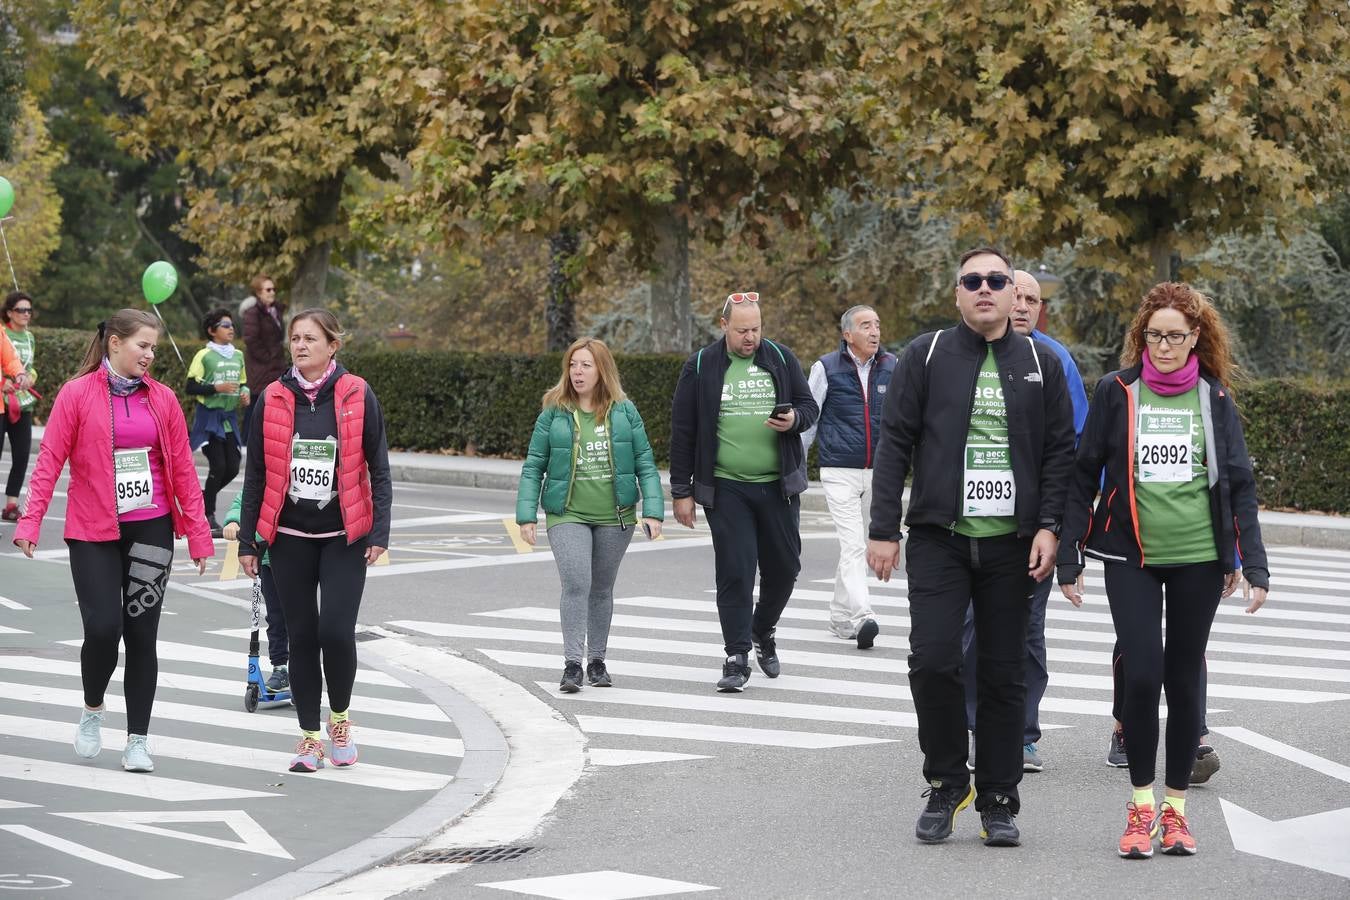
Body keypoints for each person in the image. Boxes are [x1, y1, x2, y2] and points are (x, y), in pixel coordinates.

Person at [867, 247, 1075, 848]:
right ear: (957, 293)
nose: (985, 289)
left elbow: (1062, 452)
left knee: (1005, 672)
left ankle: (999, 797)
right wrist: (883, 529)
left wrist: (1051, 527)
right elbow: (895, 444)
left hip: (1014, 545)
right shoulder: (925, 355)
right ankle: (946, 780)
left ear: (1016, 294)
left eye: (997, 281)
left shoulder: (1043, 361)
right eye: (972, 281)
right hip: (940, 538)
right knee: (933, 661)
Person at [1058, 282, 1269, 858]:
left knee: (1184, 684)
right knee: (1144, 673)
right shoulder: (1117, 391)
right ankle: (1140, 803)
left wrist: (1252, 560)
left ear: (1195, 337)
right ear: (1142, 337)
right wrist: (1070, 554)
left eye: (1176, 335)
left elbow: (1240, 484)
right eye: (1156, 335)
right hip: (1131, 558)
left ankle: (1175, 810)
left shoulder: (1214, 398)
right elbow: (1085, 474)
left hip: (1201, 559)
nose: (1166, 345)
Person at [13, 309, 213, 773]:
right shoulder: (77, 394)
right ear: (115, 343)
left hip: (152, 529)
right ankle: (92, 706)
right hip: (92, 529)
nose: (150, 355)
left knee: (143, 635)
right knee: (103, 629)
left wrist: (200, 537)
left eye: (154, 348)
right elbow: (49, 461)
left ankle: (138, 740)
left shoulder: (162, 400)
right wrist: (30, 521)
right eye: (143, 345)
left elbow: (183, 470)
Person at [237, 309, 391, 773]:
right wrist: (249, 541)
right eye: (295, 338)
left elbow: (378, 467)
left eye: (310, 338)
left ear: (332, 345)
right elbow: (257, 475)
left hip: (345, 535)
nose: (300, 345)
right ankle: (308, 738)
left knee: (335, 632)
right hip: (287, 537)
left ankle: (339, 720)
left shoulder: (357, 393)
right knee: (302, 636)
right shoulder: (273, 397)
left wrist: (379, 531)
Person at [961, 270, 1088, 773]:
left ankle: (1023, 733)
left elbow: (1076, 444)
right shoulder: (960, 353)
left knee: (1027, 632)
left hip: (1032, 526)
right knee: (972, 629)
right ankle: (976, 726)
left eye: (1034, 300)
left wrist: (1064, 525)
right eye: (1019, 296)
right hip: (968, 525)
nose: (1024, 306)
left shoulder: (1054, 360)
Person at [670, 291, 817, 692]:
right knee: (735, 570)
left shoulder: (781, 358)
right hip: (728, 487)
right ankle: (736, 656)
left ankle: (761, 630)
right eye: (741, 331)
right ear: (723, 327)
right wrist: (681, 490)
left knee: (785, 569)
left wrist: (795, 420)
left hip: (778, 486)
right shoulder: (702, 365)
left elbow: (809, 406)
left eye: (755, 329)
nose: (750, 338)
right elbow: (683, 432)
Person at [516, 337, 665, 692]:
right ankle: (572, 664)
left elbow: (645, 461)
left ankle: (597, 661)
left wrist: (654, 510)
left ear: (602, 370)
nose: (578, 372)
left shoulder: (625, 411)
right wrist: (526, 515)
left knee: (601, 588)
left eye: (586, 365)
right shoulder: (554, 411)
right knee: (577, 582)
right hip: (567, 513)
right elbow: (534, 464)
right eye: (572, 364)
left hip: (616, 515)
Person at [801, 305, 894, 649]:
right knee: (853, 544)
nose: (874, 331)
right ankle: (862, 616)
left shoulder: (891, 366)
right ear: (847, 335)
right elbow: (809, 419)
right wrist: (797, 466)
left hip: (879, 473)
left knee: (862, 545)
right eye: (866, 325)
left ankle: (840, 616)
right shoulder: (826, 368)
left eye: (877, 324)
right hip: (838, 469)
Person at [187, 308, 249, 537]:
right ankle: (208, 516)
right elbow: (190, 386)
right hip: (209, 418)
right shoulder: (204, 355)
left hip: (229, 418)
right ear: (212, 331)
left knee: (233, 466)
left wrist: (245, 393)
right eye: (225, 325)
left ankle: (203, 500)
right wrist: (216, 388)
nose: (231, 328)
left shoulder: (238, 355)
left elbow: (242, 383)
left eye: (231, 325)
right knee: (218, 466)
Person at [223, 490, 289, 693]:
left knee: (301, 619)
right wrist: (234, 521)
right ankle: (281, 668)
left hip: (301, 556)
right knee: (276, 618)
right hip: (268, 557)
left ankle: (303, 670)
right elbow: (245, 500)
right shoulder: (266, 471)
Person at [2, 291, 38, 520]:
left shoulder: (30, 337)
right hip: (3, 402)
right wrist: (3, 382)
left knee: (22, 455)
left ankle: (11, 505)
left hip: (23, 402)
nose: (26, 314)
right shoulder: (3, 334)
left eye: (29, 310)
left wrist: (30, 376)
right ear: (9, 313)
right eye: (21, 310)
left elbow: (30, 365)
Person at [240, 274, 285, 442]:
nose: (272, 292)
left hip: (274, 368)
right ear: (258, 292)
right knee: (255, 407)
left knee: (272, 408)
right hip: (259, 369)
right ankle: (245, 446)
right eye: (268, 289)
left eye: (273, 289)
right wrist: (268, 358)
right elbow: (251, 339)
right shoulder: (253, 313)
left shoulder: (276, 310)